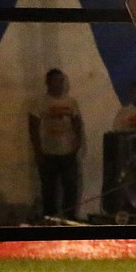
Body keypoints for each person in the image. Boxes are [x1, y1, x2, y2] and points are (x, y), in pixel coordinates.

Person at [29, 68, 84, 221]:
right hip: (48, 153)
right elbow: (33, 127)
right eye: (56, 81)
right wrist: (38, 151)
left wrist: (77, 142)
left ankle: (70, 218)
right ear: (48, 83)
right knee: (48, 189)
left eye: (61, 81)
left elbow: (76, 122)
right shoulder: (39, 102)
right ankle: (50, 219)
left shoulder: (70, 101)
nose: (59, 84)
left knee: (70, 187)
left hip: (68, 152)